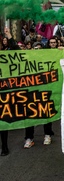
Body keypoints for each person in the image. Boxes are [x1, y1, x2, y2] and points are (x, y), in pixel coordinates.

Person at [0, 27, 20, 156]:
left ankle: (4, 146)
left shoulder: (7, 53)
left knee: (3, 120)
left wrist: (10, 36)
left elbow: (18, 53)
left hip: (4, 90)